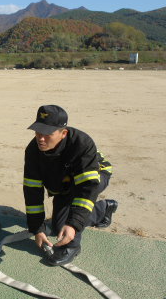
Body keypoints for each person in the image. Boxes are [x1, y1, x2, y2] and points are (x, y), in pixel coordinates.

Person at [23, 105, 118, 266]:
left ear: (63, 133)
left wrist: (73, 224)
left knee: (68, 225)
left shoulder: (82, 144)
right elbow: (32, 191)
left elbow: (87, 188)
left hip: (94, 179)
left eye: (48, 134)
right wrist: (37, 229)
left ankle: (72, 246)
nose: (41, 138)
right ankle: (103, 209)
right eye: (38, 131)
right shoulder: (33, 150)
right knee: (57, 227)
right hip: (64, 185)